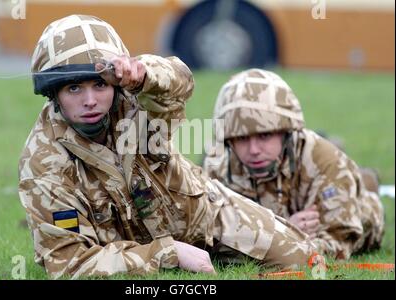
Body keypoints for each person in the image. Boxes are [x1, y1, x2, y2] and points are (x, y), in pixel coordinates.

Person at [18, 15, 317, 279]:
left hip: (201, 214)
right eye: (74, 88)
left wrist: (143, 74)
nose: (90, 101)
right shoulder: (44, 162)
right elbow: (69, 263)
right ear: (53, 93)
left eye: (100, 85)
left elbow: (181, 82)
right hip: (134, 248)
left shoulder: (135, 101)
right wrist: (167, 253)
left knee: (303, 257)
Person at [203, 69, 385, 260]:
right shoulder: (218, 168)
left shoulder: (328, 164)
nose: (254, 149)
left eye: (265, 135)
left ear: (286, 132)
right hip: (289, 216)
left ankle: (366, 182)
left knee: (365, 207)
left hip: (356, 211)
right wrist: (284, 233)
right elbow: (206, 239)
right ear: (228, 140)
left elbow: (337, 245)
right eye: (241, 138)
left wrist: (271, 241)